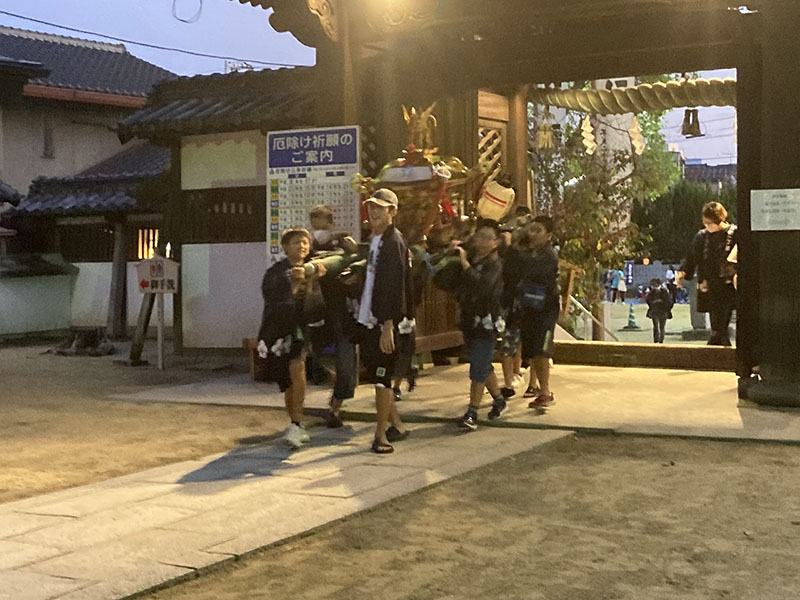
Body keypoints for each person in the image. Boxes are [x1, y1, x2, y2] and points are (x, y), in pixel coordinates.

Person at [353, 189, 413, 454]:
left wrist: (388, 324)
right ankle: (397, 426)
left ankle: (380, 437)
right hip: (371, 319)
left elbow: (394, 285)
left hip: (384, 323)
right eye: (371, 207)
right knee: (379, 377)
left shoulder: (393, 242)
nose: (374, 212)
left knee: (382, 380)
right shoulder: (376, 239)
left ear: (393, 212)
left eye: (381, 207)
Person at [257, 228, 327, 449]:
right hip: (277, 331)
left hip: (301, 330)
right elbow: (277, 305)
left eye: (305, 243)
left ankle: (296, 422)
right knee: (286, 379)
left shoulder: (311, 268)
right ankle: (295, 422)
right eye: (297, 243)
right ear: (285, 247)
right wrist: (296, 284)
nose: (302, 246)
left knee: (297, 369)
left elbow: (316, 306)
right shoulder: (275, 273)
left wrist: (313, 281)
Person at [452, 222, 507, 430]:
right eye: (479, 236)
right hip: (469, 319)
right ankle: (499, 400)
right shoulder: (470, 256)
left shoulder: (494, 263)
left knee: (477, 366)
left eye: (487, 237)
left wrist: (465, 265)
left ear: (496, 243)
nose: (482, 241)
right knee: (482, 363)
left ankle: (472, 412)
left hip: (487, 320)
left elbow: (483, 286)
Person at [502, 215, 560, 409]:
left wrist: (513, 246)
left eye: (538, 230)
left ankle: (545, 391)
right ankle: (539, 389)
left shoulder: (547, 255)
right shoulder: (529, 252)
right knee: (534, 350)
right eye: (531, 229)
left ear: (549, 235)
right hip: (528, 307)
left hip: (545, 309)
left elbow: (527, 269)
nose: (532, 234)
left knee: (541, 350)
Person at [676, 201, 738, 346]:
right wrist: (683, 271)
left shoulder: (734, 234)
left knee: (721, 323)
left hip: (729, 284)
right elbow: (692, 257)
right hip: (708, 283)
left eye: (709, 223)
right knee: (717, 323)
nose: (707, 226)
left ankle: (716, 347)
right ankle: (719, 347)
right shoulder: (702, 236)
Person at [645, 278, 673, 343]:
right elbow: (648, 300)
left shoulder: (664, 292)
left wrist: (661, 304)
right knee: (656, 326)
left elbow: (669, 302)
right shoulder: (652, 292)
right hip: (655, 311)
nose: (654, 287)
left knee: (661, 327)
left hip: (663, 311)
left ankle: (661, 339)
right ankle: (656, 339)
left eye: (655, 285)